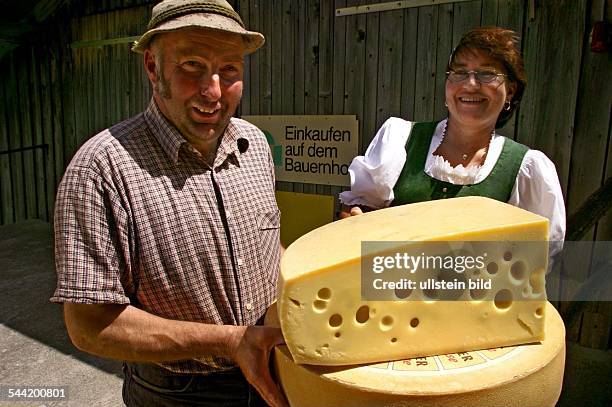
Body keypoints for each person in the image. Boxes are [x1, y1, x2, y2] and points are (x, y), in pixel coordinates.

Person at [51, 1, 287, 406]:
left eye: (229, 69)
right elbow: (89, 327)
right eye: (191, 65)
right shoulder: (101, 169)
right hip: (179, 393)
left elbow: (268, 252)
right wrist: (231, 342)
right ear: (152, 67)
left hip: (277, 370)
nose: (213, 91)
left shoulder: (253, 146)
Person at [339, 26, 565, 258]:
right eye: (459, 72)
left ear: (510, 91)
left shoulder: (527, 169)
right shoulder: (400, 139)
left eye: (486, 74)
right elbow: (356, 211)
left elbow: (538, 259)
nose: (470, 84)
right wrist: (355, 220)